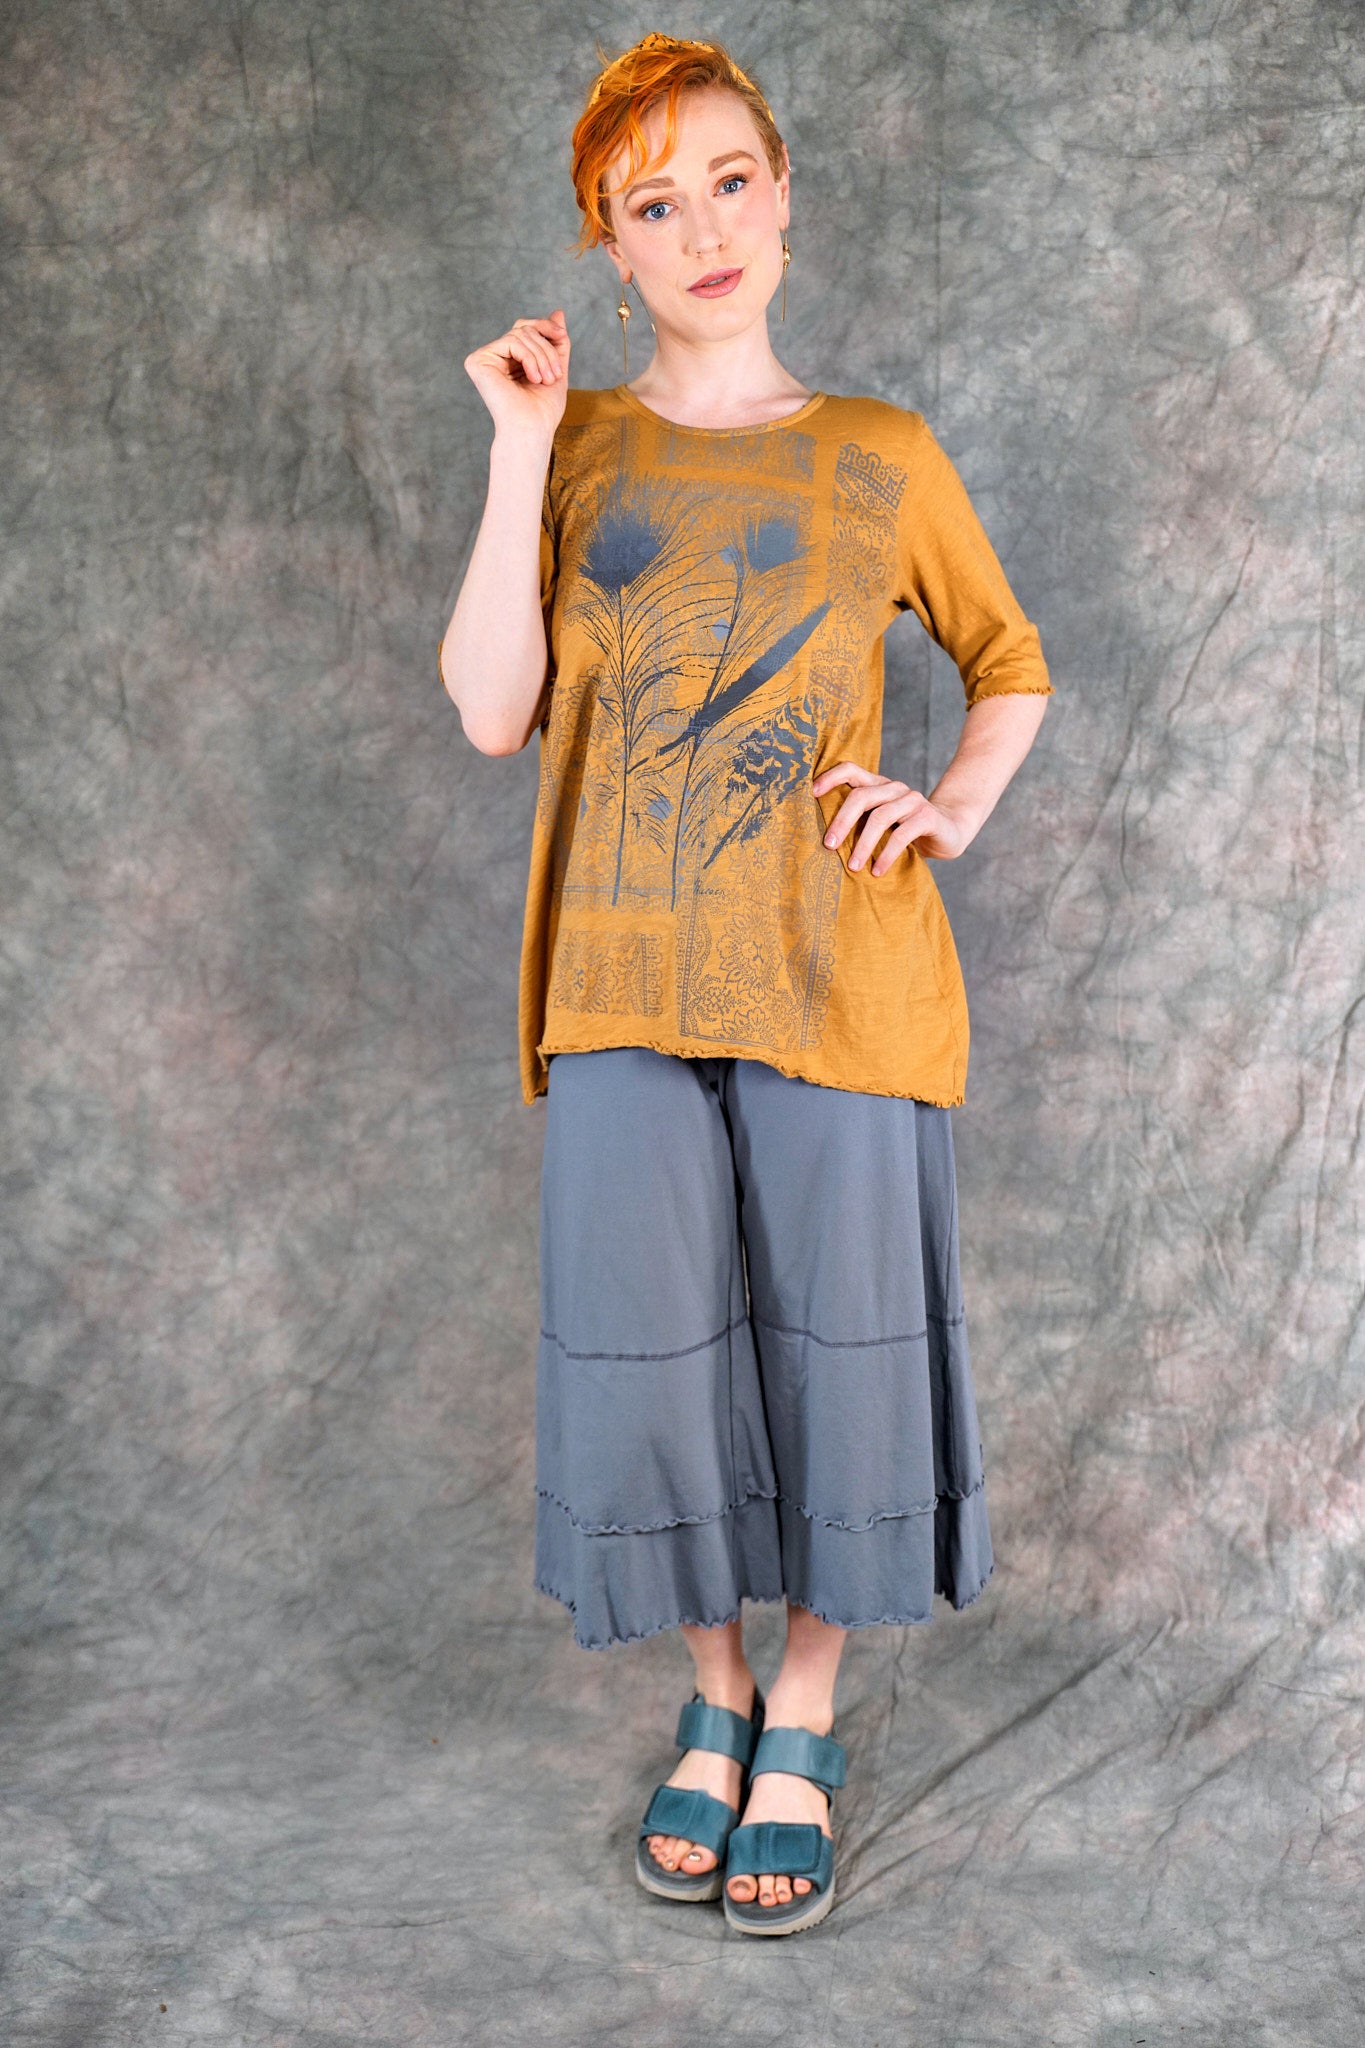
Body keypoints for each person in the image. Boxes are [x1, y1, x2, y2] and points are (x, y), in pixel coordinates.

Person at [439, 32, 1053, 1937]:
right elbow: (492, 710)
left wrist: (949, 802)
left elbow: (1009, 658)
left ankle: (805, 1712)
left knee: (838, 1355)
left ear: (781, 201)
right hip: (618, 984)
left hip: (840, 977)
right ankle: (710, 1698)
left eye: (727, 180)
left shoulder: (881, 452)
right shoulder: (574, 449)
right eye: (653, 201)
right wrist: (519, 447)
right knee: (652, 1367)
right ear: (610, 246)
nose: (700, 225)